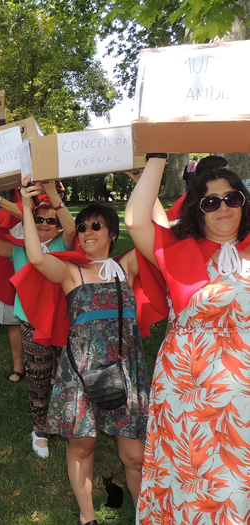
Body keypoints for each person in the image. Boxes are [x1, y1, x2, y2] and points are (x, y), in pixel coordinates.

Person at [125, 156, 250, 525]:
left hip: (242, 391)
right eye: (211, 202)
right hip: (187, 391)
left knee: (233, 483)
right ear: (198, 210)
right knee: (188, 479)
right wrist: (159, 154)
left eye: (232, 198)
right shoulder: (180, 251)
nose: (223, 207)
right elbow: (134, 219)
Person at [20, 176, 149, 525]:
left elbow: (154, 233)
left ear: (112, 234)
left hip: (127, 371)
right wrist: (25, 203)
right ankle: (87, 516)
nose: (88, 232)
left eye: (97, 225)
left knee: (135, 455)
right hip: (80, 372)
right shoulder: (70, 272)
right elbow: (35, 256)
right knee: (83, 445)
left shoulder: (128, 268)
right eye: (82, 227)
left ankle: (145, 516)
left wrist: (144, 187)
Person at [0, 181, 76, 458]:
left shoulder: (64, 242)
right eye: (37, 219)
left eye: (50, 221)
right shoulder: (19, 249)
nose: (43, 224)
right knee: (38, 379)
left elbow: (72, 227)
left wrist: (52, 193)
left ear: (57, 226)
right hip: (32, 323)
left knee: (68, 376)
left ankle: (67, 420)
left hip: (64, 322)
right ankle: (40, 430)